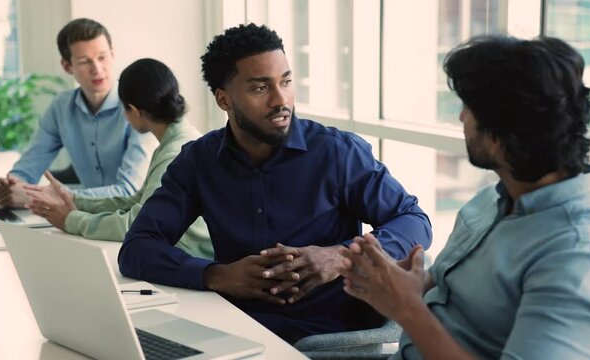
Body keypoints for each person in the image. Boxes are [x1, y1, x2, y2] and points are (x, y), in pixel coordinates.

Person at [118, 23, 432, 344]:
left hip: (325, 339)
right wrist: (218, 275)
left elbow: (414, 220)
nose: (280, 100)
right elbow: (138, 248)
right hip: (234, 332)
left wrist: (341, 257)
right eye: (260, 88)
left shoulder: (337, 152)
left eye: (286, 81)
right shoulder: (198, 161)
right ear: (224, 100)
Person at [341, 35, 590, 359]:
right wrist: (403, 282)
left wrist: (406, 309)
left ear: (500, 138)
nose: (461, 119)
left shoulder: (577, 255)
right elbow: (458, 300)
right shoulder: (491, 200)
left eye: (468, 109)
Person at [21, 58, 213, 259]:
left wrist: (71, 220)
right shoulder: (175, 141)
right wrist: (74, 199)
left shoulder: (175, 152)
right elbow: (137, 201)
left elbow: (137, 223)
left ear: (135, 111)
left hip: (192, 259)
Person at [0, 18, 153, 208]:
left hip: (136, 221)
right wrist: (12, 188)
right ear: (67, 66)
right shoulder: (61, 108)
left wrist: (46, 197)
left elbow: (128, 192)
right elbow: (28, 168)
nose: (97, 69)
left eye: (102, 57)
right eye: (84, 61)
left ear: (113, 54)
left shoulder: (139, 109)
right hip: (87, 219)